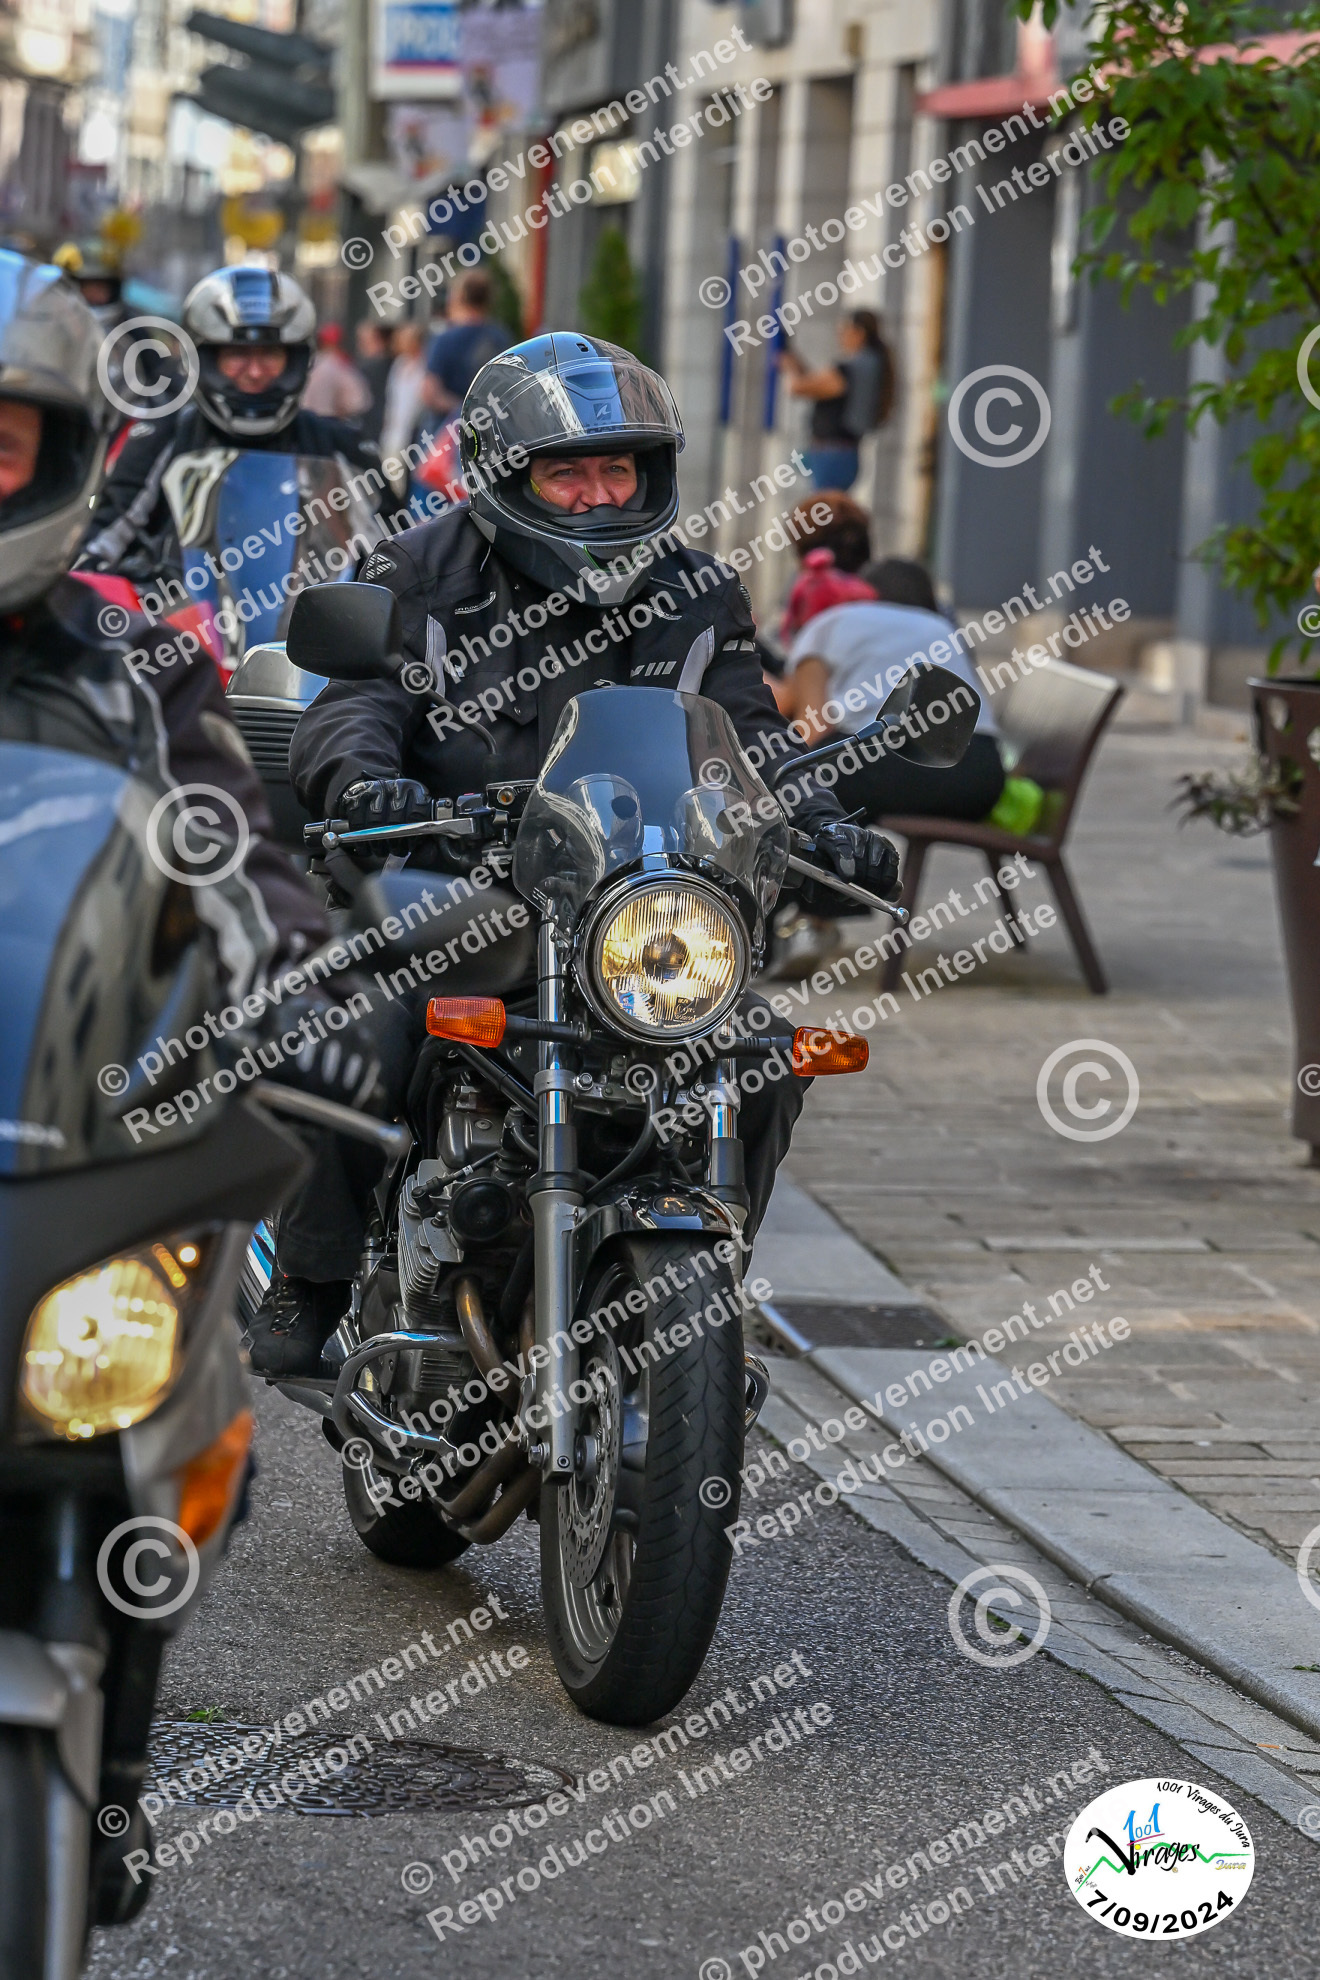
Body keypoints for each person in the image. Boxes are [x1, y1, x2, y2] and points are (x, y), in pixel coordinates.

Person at [269, 331, 901, 1373]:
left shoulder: (697, 591)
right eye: (568, 473)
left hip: (636, 908)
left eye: (619, 469)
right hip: (457, 889)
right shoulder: (417, 570)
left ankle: (699, 1286)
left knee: (758, 1055)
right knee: (363, 1025)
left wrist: (823, 818)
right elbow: (356, 705)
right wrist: (364, 781)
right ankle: (312, 1279)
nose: (600, 495)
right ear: (505, 474)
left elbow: (751, 737)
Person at [78, 265, 390, 610]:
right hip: (181, 632)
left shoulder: (340, 446)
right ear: (206, 359)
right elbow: (97, 544)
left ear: (296, 359)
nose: (255, 372)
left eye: (270, 354)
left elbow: (396, 557)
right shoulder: (164, 437)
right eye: (237, 355)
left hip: (308, 632)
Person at [779, 554, 1006, 823]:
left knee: (793, 776)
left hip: (881, 767)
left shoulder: (830, 622)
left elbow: (812, 730)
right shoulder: (943, 627)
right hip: (978, 780)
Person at [780, 310, 893, 491]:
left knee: (824, 507)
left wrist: (787, 368)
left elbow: (797, 388)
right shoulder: (869, 364)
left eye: (844, 331)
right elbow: (816, 384)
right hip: (838, 455)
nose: (840, 337)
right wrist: (795, 364)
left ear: (859, 333)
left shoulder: (851, 369)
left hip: (832, 457)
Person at [420, 269, 512, 424]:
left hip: (448, 430)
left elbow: (429, 392)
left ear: (458, 297)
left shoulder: (445, 340)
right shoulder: (501, 338)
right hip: (490, 428)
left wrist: (463, 410)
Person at [380, 319, 428, 464]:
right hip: (394, 432)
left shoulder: (425, 364)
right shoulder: (399, 364)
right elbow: (392, 398)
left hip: (416, 431)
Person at [353, 320, 394, 443]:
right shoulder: (393, 363)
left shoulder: (373, 367)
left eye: (364, 341)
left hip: (374, 428)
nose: (360, 346)